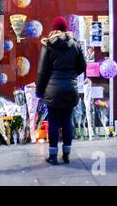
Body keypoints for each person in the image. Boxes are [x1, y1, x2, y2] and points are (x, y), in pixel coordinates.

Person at [36, 16, 86, 165]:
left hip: (53, 91)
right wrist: (71, 76)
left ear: (54, 28)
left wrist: (39, 91)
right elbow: (82, 66)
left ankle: (52, 156)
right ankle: (66, 155)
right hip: (70, 90)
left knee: (54, 122)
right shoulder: (75, 45)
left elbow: (42, 71)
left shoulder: (48, 45)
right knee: (67, 122)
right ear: (65, 28)